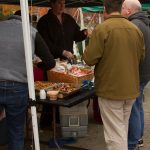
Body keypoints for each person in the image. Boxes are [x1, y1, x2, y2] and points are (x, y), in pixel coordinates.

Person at [83, 0, 145, 150]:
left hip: (111, 91)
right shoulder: (135, 29)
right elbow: (141, 57)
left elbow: (89, 59)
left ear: (105, 9)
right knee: (121, 130)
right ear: (121, 8)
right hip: (130, 89)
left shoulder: (103, 28)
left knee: (114, 135)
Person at [0, 12, 55, 150]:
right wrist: (36, 65)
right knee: (16, 132)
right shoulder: (31, 31)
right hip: (18, 87)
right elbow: (50, 62)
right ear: (28, 20)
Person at [37, 0, 89, 128]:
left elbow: (76, 36)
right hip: (51, 63)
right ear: (52, 4)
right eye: (59, 3)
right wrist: (61, 51)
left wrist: (84, 33)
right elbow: (44, 43)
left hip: (67, 64)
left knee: (66, 91)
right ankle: (46, 122)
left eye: (64, 3)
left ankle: (63, 120)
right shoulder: (44, 21)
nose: (62, 6)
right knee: (50, 93)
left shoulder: (69, 19)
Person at [121, 0, 150, 149]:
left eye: (122, 7)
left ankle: (132, 143)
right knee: (138, 106)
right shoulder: (143, 22)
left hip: (137, 74)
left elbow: (131, 54)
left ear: (128, 10)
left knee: (133, 109)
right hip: (144, 72)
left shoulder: (134, 25)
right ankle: (138, 138)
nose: (121, 10)